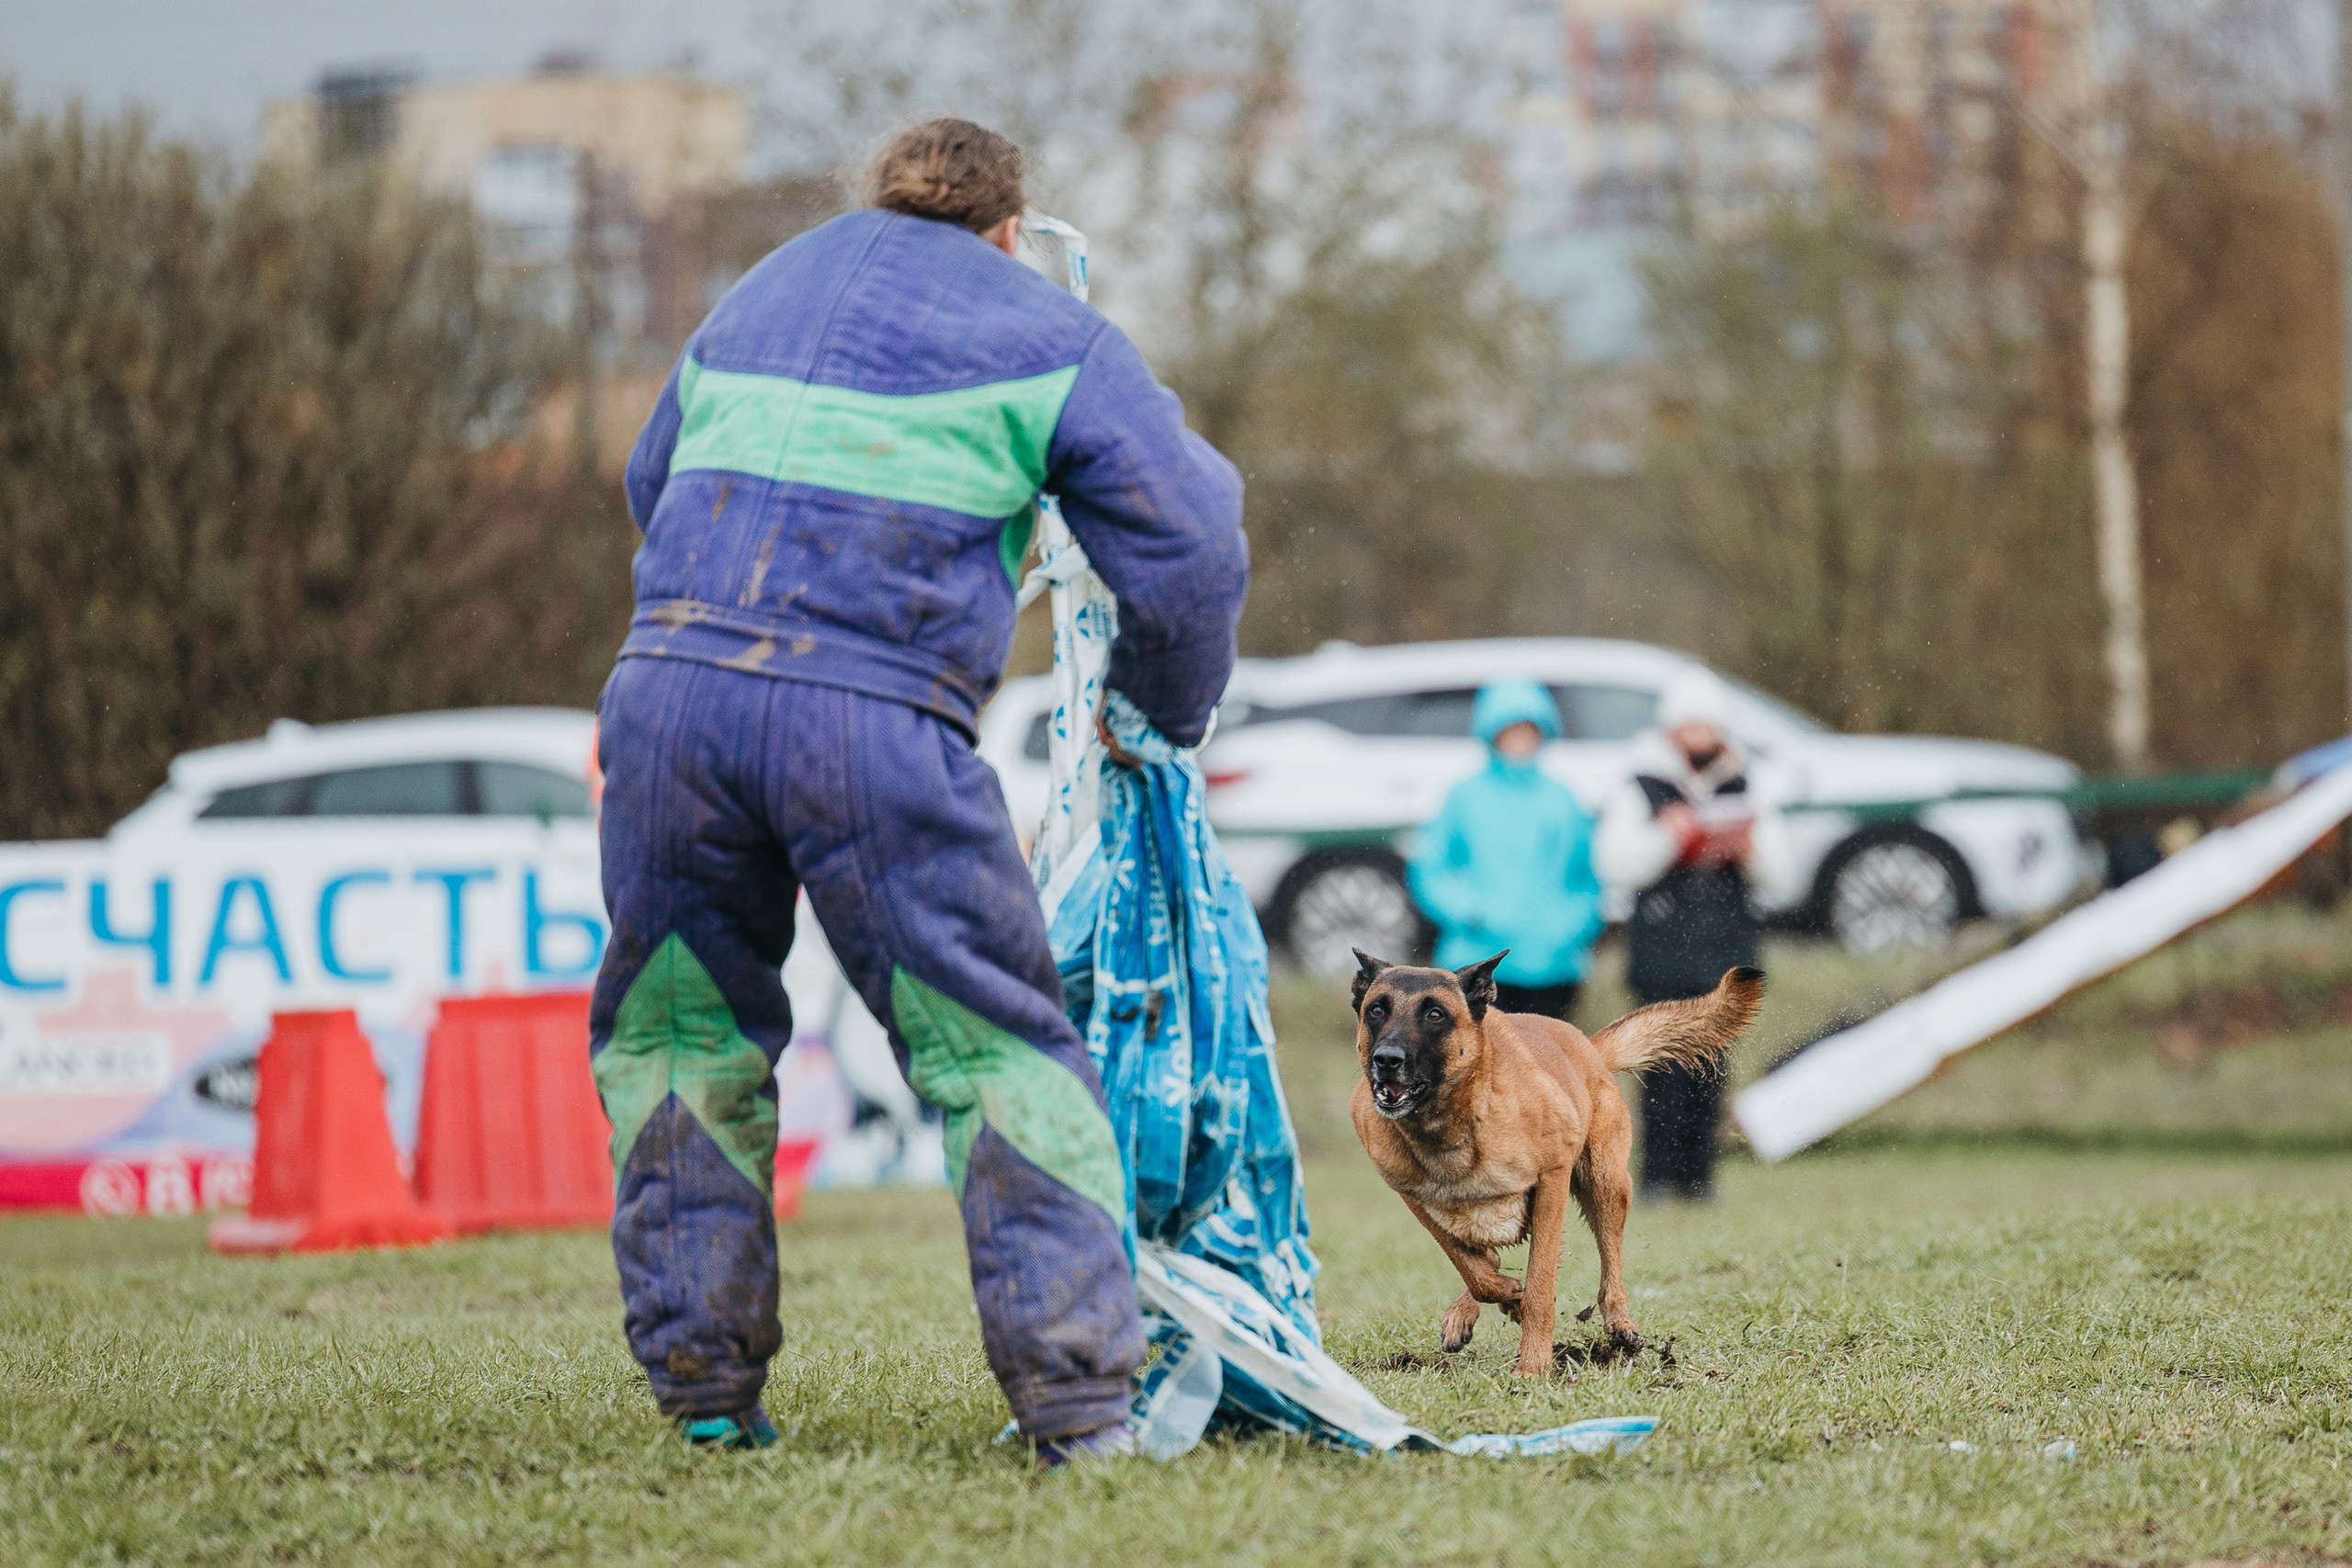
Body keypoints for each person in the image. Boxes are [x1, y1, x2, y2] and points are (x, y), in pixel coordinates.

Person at [589, 118, 1248, 1465]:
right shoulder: (1044, 325)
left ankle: (705, 1391)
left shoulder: (761, 285)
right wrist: (1157, 709)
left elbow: (651, 478)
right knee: (993, 1046)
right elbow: (1194, 543)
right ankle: (1079, 1409)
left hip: (665, 698)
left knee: (679, 1033)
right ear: (1012, 228)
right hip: (871, 716)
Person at [1594, 670, 1789, 1202]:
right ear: (1671, 731)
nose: (1699, 736)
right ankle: (1656, 1177)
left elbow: (1781, 870)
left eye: (1708, 725)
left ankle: (1701, 1179)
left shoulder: (1746, 783)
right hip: (1660, 946)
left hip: (1724, 947)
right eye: (1689, 725)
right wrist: (1669, 837)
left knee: (1712, 1064)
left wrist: (1749, 853)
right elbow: (1614, 860)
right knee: (1660, 1068)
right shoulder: (1642, 786)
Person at [1407, 681, 1605, 1021]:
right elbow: (1430, 869)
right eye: (1509, 728)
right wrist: (1471, 912)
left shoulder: (1563, 799)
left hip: (1554, 965)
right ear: (1491, 733)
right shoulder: (1465, 796)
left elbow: (1587, 878)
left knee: (1546, 1066)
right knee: (1482, 1066)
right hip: (1480, 961)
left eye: (1528, 728)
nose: (1519, 738)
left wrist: (1571, 928)